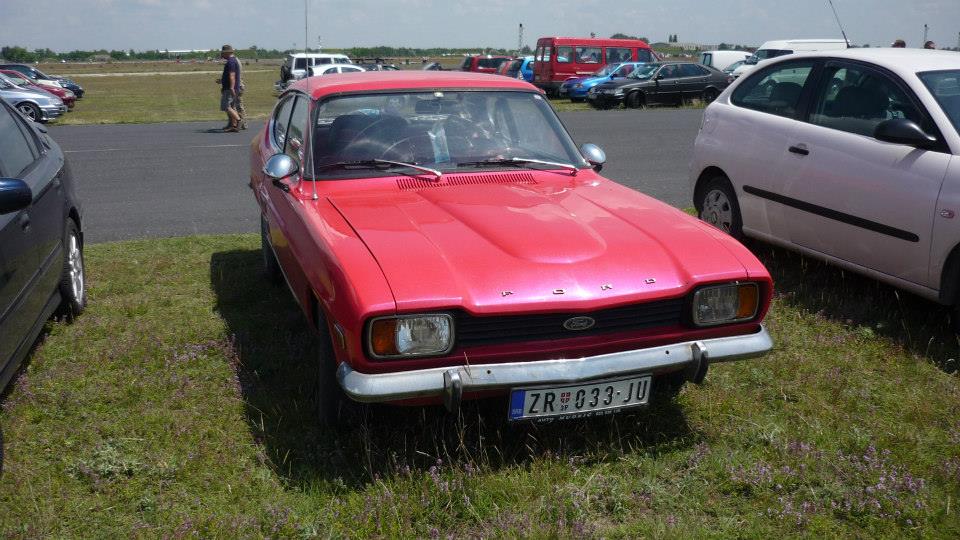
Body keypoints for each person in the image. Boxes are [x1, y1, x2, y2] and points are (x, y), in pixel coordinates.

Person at [215, 44, 241, 132]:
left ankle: (238, 121)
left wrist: (232, 87)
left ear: (227, 53)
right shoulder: (232, 61)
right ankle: (233, 125)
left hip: (229, 89)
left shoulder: (231, 62)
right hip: (230, 87)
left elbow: (232, 75)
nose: (222, 55)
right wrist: (222, 80)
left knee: (226, 106)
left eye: (223, 53)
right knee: (231, 107)